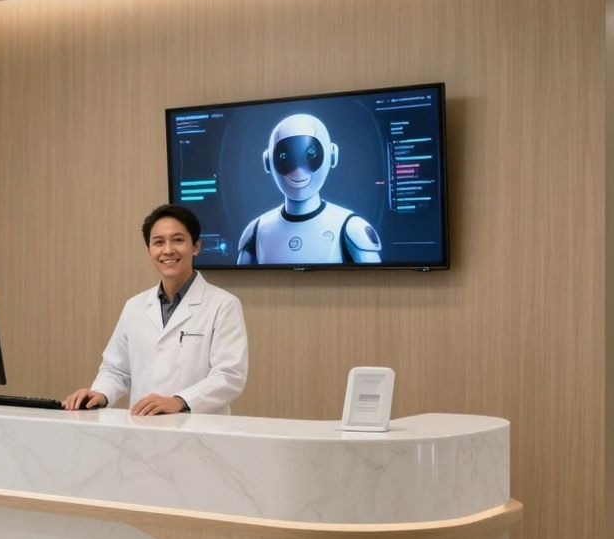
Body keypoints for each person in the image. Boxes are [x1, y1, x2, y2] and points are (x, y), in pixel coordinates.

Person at [64, 204, 248, 415]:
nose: (168, 250)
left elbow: (229, 376)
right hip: (144, 430)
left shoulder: (223, 305)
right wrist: (100, 394)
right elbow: (116, 369)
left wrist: (180, 401)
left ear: (196, 246)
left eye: (178, 240)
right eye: (158, 242)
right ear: (149, 250)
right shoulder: (134, 306)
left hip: (199, 432)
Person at [236, 112, 382, 265]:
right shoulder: (256, 231)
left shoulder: (351, 229)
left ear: (332, 156)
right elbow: (237, 283)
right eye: (284, 157)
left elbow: (377, 283)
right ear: (268, 162)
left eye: (310, 154)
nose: (298, 171)